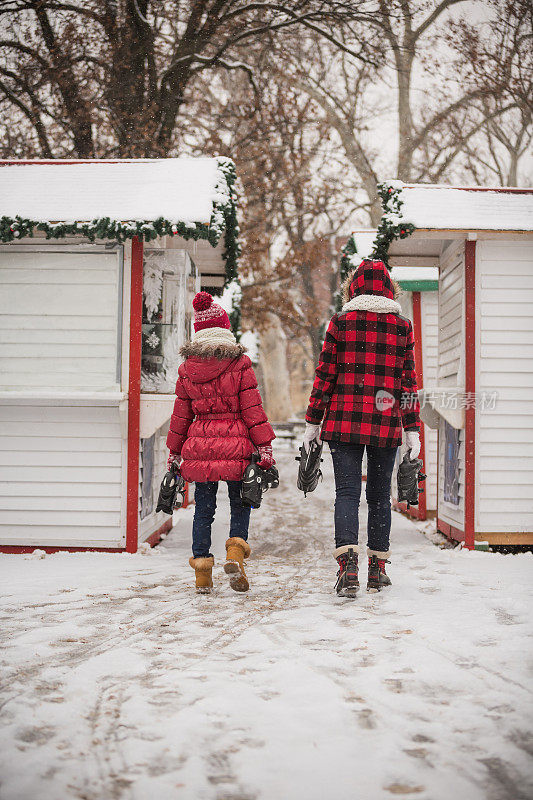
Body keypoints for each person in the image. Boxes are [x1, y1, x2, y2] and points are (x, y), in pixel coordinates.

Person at [304, 259, 421, 595]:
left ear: (352, 286)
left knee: (347, 495)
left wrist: (313, 421)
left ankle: (347, 568)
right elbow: (408, 384)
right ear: (390, 287)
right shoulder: (403, 326)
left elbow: (325, 376)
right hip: (386, 424)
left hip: (343, 422)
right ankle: (377, 569)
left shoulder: (340, 323)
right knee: (380, 498)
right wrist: (412, 429)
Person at [166, 291, 275, 594]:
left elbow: (181, 415)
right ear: (225, 328)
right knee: (240, 502)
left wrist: (175, 452)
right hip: (237, 443)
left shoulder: (187, 369)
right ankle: (235, 554)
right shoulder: (239, 363)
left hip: (200, 446)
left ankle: (202, 570)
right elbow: (253, 410)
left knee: (203, 506)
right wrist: (264, 447)